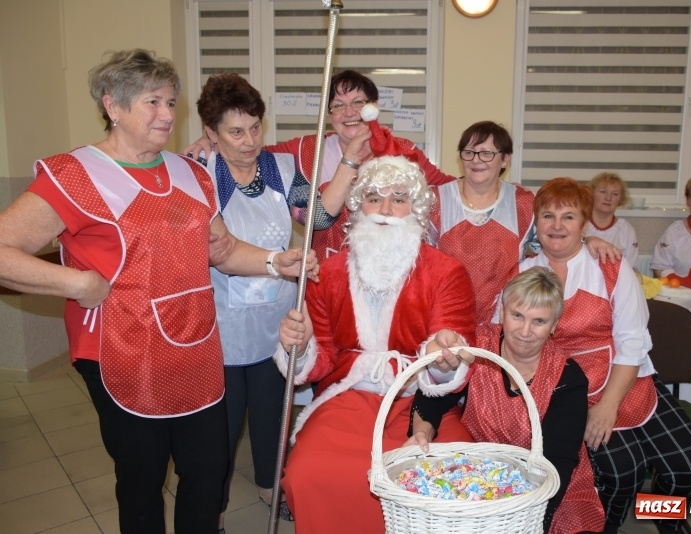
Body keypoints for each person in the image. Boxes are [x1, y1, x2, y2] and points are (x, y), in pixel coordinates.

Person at [0, 49, 318, 534]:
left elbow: (223, 250)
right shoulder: (75, 174)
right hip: (123, 351)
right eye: (153, 102)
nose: (167, 115)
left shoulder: (191, 173)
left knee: (207, 471)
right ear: (112, 105)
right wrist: (76, 282)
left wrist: (277, 261)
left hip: (197, 347)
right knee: (142, 480)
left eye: (170, 102)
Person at [276, 155, 476, 533]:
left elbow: (451, 347)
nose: (384, 210)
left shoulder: (446, 272)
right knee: (309, 472)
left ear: (415, 210)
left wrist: (442, 359)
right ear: (359, 208)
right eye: (374, 198)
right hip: (349, 394)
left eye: (398, 199)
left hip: (419, 402)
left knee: (458, 475)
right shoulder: (328, 273)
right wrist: (298, 348)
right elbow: (322, 358)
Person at [194, 73, 343, 529]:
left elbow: (316, 217)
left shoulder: (280, 168)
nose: (250, 141)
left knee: (272, 415)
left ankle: (269, 486)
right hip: (222, 322)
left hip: (276, 320)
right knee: (219, 429)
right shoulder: (198, 175)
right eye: (236, 132)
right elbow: (215, 250)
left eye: (256, 127)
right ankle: (213, 507)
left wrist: (351, 162)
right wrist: (281, 261)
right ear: (211, 133)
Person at [519, 178, 691, 534]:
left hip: (627, 377)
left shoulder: (609, 265)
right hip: (570, 391)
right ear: (536, 222)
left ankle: (662, 516)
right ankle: (607, 527)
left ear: (584, 223)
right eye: (548, 216)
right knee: (622, 473)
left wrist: (608, 405)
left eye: (568, 216)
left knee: (690, 465)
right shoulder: (525, 274)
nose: (557, 225)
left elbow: (633, 341)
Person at [407, 267, 606, 534]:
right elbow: (433, 397)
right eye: (517, 315)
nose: (525, 330)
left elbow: (557, 463)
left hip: (551, 487)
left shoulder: (568, 378)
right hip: (483, 478)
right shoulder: (477, 349)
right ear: (502, 312)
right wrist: (421, 434)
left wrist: (524, 523)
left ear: (554, 326)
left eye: (539, 321)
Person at [185, 69, 454, 261]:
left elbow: (449, 190)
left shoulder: (404, 150)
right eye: (338, 105)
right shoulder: (307, 150)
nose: (349, 113)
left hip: (392, 271)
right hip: (328, 277)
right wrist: (210, 140)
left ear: (373, 107)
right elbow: (251, 152)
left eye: (358, 103)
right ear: (330, 115)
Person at [430, 121, 619, 350]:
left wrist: (587, 240)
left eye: (487, 153)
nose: (476, 160)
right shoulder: (434, 202)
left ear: (505, 159)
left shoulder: (523, 203)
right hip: (447, 320)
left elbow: (555, 237)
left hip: (506, 326)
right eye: (469, 152)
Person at [584, 172, 639, 269]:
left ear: (621, 199)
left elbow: (631, 268)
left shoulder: (626, 230)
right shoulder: (579, 225)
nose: (608, 198)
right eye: (603, 192)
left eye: (615, 194)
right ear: (591, 194)